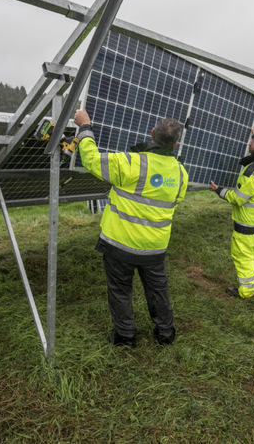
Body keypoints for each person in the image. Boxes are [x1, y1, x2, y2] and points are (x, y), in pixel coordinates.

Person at [73, 109, 189, 347]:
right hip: (155, 247)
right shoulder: (181, 174)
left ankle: (126, 337)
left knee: (120, 290)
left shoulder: (129, 162)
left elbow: (92, 160)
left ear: (152, 133)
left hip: (120, 244)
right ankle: (165, 334)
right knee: (158, 290)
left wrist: (85, 126)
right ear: (176, 144)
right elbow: (174, 202)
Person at [209, 129, 254, 299]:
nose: (249, 143)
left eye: (253, 141)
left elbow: (238, 199)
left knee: (243, 256)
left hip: (247, 222)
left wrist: (219, 190)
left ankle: (246, 291)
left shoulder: (252, 172)